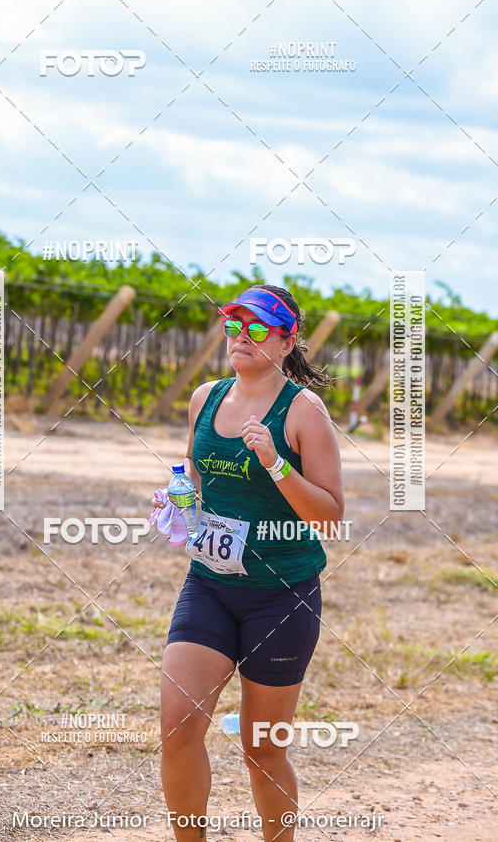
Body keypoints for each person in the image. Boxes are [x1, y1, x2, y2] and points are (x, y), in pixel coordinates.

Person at [153, 284, 344, 841]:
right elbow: (193, 468)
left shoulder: (303, 411)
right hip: (210, 586)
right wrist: (177, 497)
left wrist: (275, 464)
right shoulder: (206, 397)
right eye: (233, 324)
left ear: (286, 343)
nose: (240, 336)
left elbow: (331, 517)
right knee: (178, 729)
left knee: (261, 749)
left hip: (281, 598)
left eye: (257, 328)